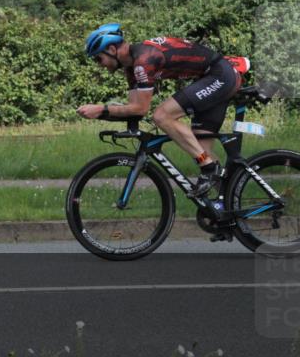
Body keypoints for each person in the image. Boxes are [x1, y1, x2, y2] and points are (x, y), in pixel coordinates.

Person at [77, 23, 249, 220]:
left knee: (162, 116)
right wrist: (102, 114)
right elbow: (135, 109)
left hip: (219, 75)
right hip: (211, 77)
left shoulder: (143, 60)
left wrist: (101, 109)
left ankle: (209, 168)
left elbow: (141, 108)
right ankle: (228, 208)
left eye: (99, 58)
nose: (100, 64)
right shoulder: (132, 67)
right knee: (201, 148)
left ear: (112, 49)